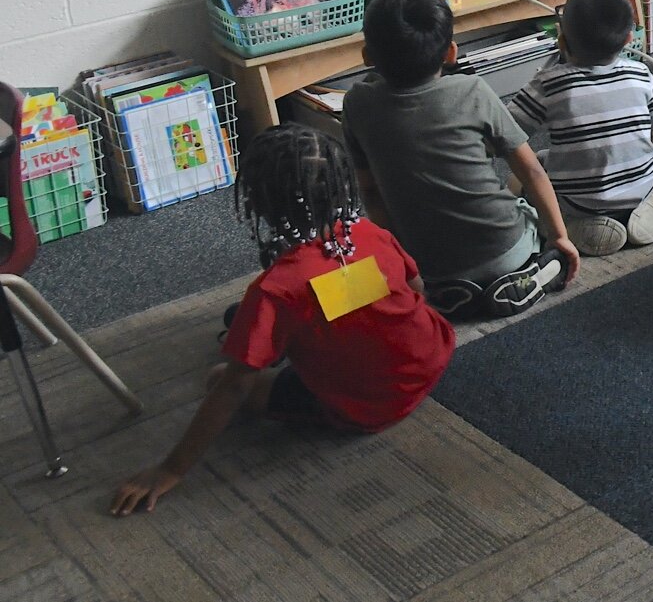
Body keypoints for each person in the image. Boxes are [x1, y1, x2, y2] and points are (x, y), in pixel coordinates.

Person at [110, 126, 455, 516]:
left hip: (369, 406)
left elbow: (233, 388)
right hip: (431, 358)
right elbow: (416, 287)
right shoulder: (369, 232)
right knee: (250, 320)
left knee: (218, 375)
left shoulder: (276, 290)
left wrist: (171, 468)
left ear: (260, 200)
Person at [343, 0, 579, 318]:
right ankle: (535, 272)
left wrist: (399, 259)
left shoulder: (355, 105)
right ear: (451, 52)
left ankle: (438, 294)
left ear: (367, 56)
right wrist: (560, 237)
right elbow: (532, 170)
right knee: (526, 207)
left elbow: (370, 191)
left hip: (423, 266)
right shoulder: (472, 91)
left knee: (348, 276)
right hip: (503, 248)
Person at [507, 0, 653, 257]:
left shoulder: (549, 83)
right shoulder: (639, 74)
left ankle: (581, 227)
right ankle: (645, 208)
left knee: (524, 172)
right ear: (628, 39)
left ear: (560, 37)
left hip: (579, 201)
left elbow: (507, 133)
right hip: (643, 184)